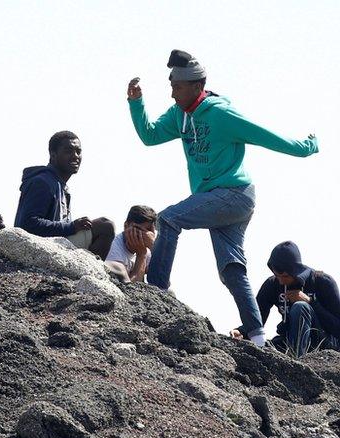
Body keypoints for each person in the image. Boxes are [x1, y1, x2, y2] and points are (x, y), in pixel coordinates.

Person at [127, 49, 318, 346]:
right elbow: (150, 136)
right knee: (231, 270)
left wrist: (305, 147)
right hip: (215, 199)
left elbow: (266, 135)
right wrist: (136, 102)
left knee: (168, 218)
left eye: (177, 87)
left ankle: (157, 291)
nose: (172, 94)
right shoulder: (179, 115)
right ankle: (256, 337)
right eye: (171, 87)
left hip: (234, 195)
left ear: (195, 87)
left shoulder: (221, 114)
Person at [13, 131, 115, 259]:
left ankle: (87, 270)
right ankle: (90, 271)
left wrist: (71, 227)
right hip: (37, 248)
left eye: (78, 151)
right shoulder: (42, 182)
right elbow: (28, 224)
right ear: (53, 154)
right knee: (105, 226)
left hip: (53, 244)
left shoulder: (59, 184)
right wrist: (71, 227)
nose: (75, 156)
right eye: (68, 151)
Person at [231, 242, 340, 357]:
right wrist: (242, 331)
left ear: (296, 270)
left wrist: (310, 302)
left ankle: (296, 363)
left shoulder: (322, 281)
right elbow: (258, 317)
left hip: (324, 343)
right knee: (260, 351)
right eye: (277, 276)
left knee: (300, 307)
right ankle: (292, 356)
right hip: (290, 339)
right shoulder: (273, 284)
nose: (281, 281)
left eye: (285, 276)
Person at [105, 205, 157, 283]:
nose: (142, 236)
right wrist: (141, 255)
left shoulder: (148, 249)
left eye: (147, 232)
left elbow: (162, 281)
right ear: (126, 226)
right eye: (138, 230)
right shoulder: (114, 246)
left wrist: (154, 245)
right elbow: (129, 289)